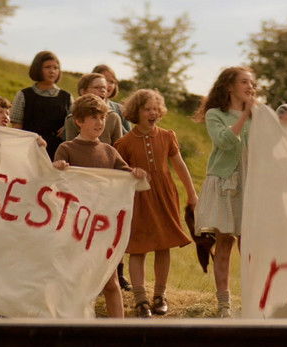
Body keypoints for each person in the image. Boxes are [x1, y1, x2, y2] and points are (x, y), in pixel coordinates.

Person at [52, 94, 147, 318]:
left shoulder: (109, 151)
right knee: (73, 280)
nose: (99, 122)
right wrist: (57, 168)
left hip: (102, 227)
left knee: (110, 282)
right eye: (93, 117)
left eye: (102, 118)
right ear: (79, 121)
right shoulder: (67, 148)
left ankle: (118, 331)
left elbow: (126, 178)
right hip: (75, 228)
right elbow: (54, 184)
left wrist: (135, 173)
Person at [115, 89, 197, 318]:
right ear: (136, 111)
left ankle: (160, 296)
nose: (153, 113)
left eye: (155, 109)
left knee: (164, 244)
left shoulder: (167, 136)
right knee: (138, 248)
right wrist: (131, 171)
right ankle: (140, 300)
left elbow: (180, 166)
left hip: (165, 195)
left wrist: (192, 194)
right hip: (139, 199)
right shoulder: (124, 143)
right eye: (147, 109)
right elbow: (118, 172)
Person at [193, 66, 256, 317]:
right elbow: (224, 142)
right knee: (225, 243)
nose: (250, 87)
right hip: (225, 185)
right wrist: (244, 116)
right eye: (244, 82)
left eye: (252, 83)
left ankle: (253, 301)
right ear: (229, 86)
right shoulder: (215, 114)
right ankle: (224, 304)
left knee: (250, 247)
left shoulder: (258, 116)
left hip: (251, 184)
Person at [11, 51, 72, 160]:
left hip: (58, 154)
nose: (52, 71)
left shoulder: (67, 97)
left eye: (55, 68)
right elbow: (17, 129)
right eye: (47, 67)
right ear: (38, 68)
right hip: (30, 152)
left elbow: (74, 124)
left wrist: (68, 125)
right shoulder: (23, 95)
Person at [65, 73, 124, 144]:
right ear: (83, 92)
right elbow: (70, 147)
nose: (103, 90)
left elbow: (118, 147)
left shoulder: (113, 117)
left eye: (104, 88)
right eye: (97, 87)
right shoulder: (72, 119)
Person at [92, 64, 131, 133]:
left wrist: (115, 121)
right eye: (104, 80)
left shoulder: (120, 109)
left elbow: (129, 136)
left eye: (112, 82)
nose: (108, 85)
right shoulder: (80, 106)